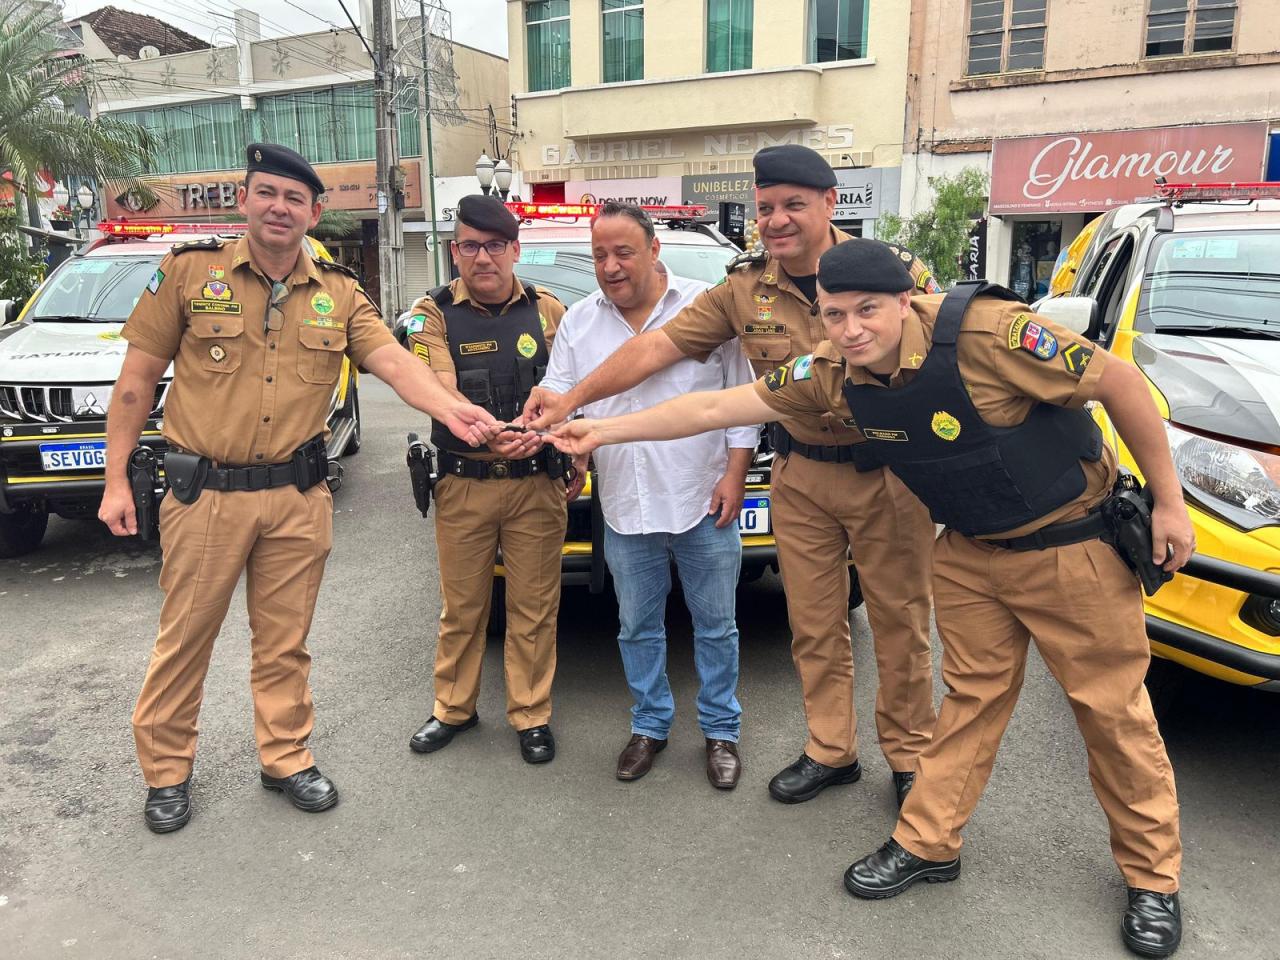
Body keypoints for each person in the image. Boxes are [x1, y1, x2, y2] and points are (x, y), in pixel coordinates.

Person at [549, 237, 1191, 959]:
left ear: (905, 300)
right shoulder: (829, 371)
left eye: (868, 310)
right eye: (834, 314)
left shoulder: (987, 333)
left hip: (1069, 544)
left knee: (1111, 714)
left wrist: (1170, 503)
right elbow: (716, 406)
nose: (852, 329)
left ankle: (1153, 880)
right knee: (971, 702)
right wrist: (601, 426)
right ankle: (929, 842)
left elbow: (1119, 383)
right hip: (973, 551)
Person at [522, 145, 940, 807]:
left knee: (899, 625)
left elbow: (950, 360)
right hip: (801, 475)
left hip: (887, 471)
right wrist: (571, 402)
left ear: (831, 203)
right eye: (766, 206)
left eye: (793, 204)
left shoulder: (893, 272)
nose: (776, 219)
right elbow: (657, 350)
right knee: (814, 626)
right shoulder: (743, 288)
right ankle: (831, 750)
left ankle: (911, 757)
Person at [100, 144, 496, 834]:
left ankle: (284, 757)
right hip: (207, 494)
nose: (279, 208)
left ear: (314, 213)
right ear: (245, 201)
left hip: (296, 497)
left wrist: (455, 411)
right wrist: (114, 480)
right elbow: (135, 382)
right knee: (186, 638)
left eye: (294, 199)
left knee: (285, 642)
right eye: (267, 193)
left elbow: (392, 361)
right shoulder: (190, 273)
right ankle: (166, 773)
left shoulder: (338, 292)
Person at [539, 201, 758, 788]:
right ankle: (650, 725)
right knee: (637, 625)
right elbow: (560, 393)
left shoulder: (706, 307)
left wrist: (735, 475)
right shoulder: (579, 321)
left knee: (716, 624)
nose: (610, 266)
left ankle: (721, 730)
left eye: (623, 252)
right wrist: (563, 438)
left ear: (653, 249)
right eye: (599, 255)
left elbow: (742, 401)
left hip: (701, 497)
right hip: (624, 501)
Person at [404, 194, 574, 766]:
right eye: (471, 246)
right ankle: (454, 708)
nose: (483, 258)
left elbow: (573, 387)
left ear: (515, 251)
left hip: (536, 484)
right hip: (464, 482)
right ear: (454, 252)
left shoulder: (548, 310)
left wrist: (570, 445)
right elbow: (438, 384)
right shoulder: (432, 313)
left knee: (534, 607)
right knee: (463, 608)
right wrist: (491, 432)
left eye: (495, 246)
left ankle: (531, 713)